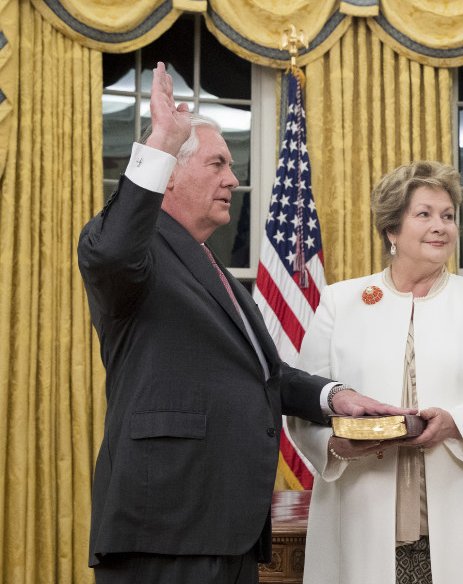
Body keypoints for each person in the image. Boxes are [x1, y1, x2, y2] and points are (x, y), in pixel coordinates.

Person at [78, 62, 408, 584]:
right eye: (217, 164)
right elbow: (114, 251)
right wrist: (162, 137)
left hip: (229, 526)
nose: (234, 178)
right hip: (166, 525)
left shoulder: (215, 269)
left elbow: (262, 373)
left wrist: (332, 397)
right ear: (169, 175)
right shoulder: (132, 252)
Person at [286, 161, 463, 584]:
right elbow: (303, 402)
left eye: (448, 216)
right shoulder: (340, 302)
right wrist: (334, 445)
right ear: (391, 229)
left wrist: (456, 422)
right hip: (363, 508)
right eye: (424, 214)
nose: (440, 226)